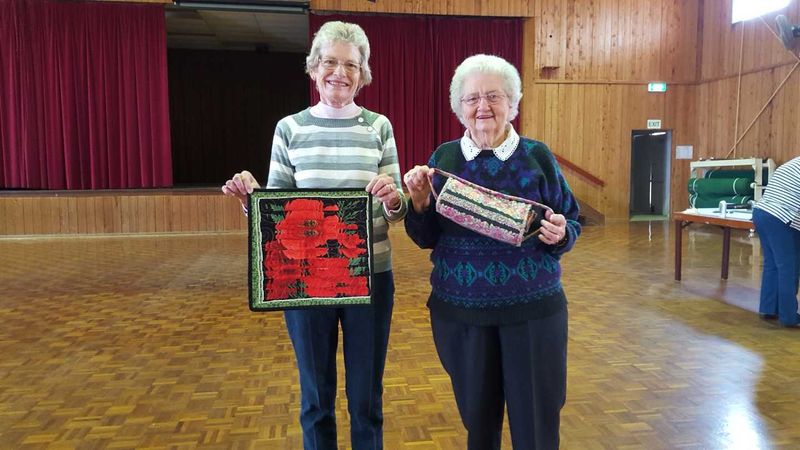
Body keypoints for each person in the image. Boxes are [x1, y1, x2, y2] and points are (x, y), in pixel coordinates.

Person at [222, 21, 407, 450]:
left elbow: (396, 210)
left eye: (351, 64)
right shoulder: (290, 129)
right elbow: (277, 213)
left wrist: (392, 198)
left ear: (363, 73)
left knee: (366, 400)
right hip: (305, 283)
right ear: (313, 68)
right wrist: (252, 200)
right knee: (316, 400)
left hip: (370, 277)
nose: (339, 73)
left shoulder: (379, 127)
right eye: (329, 62)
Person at [403, 54, 580, 450]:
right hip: (461, 315)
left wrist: (560, 234)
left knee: (536, 429)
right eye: (472, 98)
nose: (482, 106)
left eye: (494, 96)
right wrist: (419, 202)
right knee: (479, 428)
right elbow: (425, 237)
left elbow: (570, 219)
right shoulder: (443, 159)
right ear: (459, 107)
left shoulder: (537, 156)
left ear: (511, 102)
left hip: (533, 314)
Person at [753, 156, 800, 328]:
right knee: (788, 267)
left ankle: (769, 308)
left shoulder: (794, 162)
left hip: (761, 212)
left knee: (773, 264)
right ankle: (789, 317)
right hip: (781, 217)